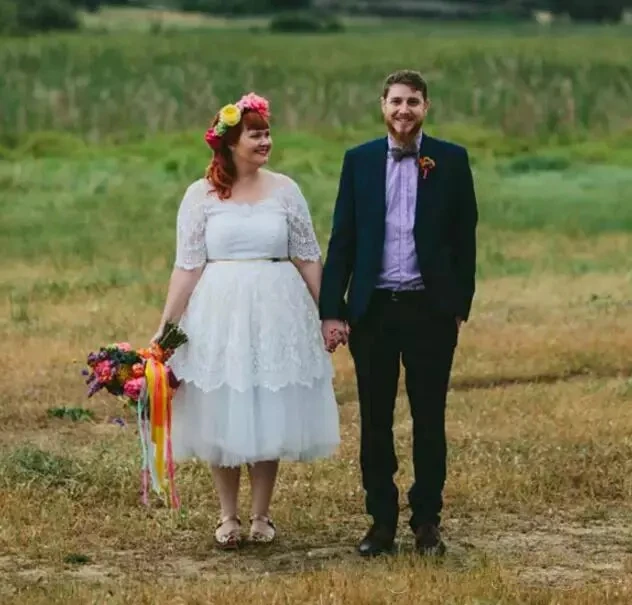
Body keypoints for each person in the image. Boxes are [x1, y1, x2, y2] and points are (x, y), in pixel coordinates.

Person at [153, 93, 340, 549]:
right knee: (224, 402)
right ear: (231, 142)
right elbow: (188, 265)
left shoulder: (286, 190)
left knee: (267, 400)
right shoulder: (200, 196)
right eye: (255, 134)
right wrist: (166, 327)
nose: (265, 141)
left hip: (277, 309)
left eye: (267, 133)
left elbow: (308, 256)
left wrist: (330, 312)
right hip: (221, 310)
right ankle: (227, 515)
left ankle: (261, 515)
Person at [320, 70, 478, 557]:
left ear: (425, 106)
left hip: (430, 311)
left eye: (412, 101)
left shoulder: (450, 161)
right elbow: (342, 240)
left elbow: (464, 238)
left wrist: (457, 306)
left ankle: (427, 521)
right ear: (382, 106)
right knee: (375, 420)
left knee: (430, 418)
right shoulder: (360, 161)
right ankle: (381, 522)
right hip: (374, 313)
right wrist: (332, 310)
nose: (403, 110)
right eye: (395, 102)